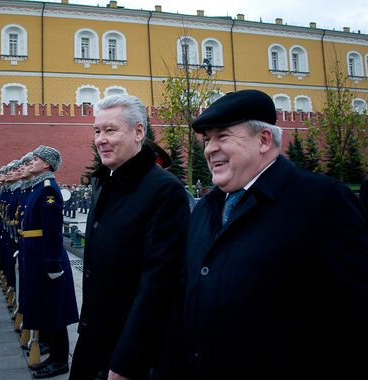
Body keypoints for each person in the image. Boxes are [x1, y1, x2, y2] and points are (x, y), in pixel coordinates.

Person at [178, 89, 368, 378]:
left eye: (223, 137)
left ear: (264, 141)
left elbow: (357, 313)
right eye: (207, 140)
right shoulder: (206, 210)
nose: (209, 149)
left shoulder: (320, 201)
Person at [69, 94, 190, 380]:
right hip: (94, 339)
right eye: (97, 131)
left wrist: (126, 362)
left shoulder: (163, 191)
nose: (101, 139)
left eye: (111, 130)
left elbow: (159, 285)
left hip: (131, 352)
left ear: (138, 132)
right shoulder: (105, 182)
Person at [21, 145, 79, 379]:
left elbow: (53, 230)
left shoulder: (48, 190)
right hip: (37, 256)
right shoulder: (38, 188)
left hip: (47, 258)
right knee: (46, 308)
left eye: (36, 159)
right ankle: (53, 357)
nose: (31, 162)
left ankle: (60, 361)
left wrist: (53, 263)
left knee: (55, 312)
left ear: (46, 164)